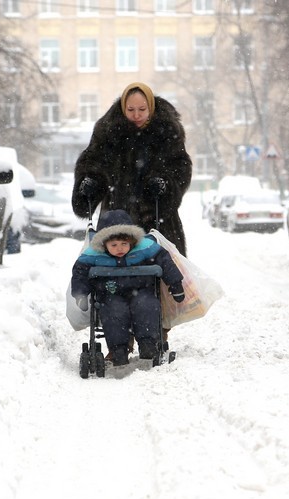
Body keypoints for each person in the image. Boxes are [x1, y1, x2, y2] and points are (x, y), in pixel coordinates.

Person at [72, 82, 192, 256]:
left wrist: (165, 185)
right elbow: (91, 163)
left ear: (150, 107)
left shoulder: (167, 132)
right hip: (116, 226)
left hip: (159, 223)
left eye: (142, 109)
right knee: (114, 279)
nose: (136, 115)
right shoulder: (107, 132)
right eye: (130, 110)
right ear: (123, 108)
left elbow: (181, 168)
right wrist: (90, 183)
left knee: (165, 276)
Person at [70, 210, 185, 366]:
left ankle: (148, 344)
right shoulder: (94, 255)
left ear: (132, 240)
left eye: (124, 244)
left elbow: (165, 261)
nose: (120, 249)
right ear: (104, 244)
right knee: (114, 311)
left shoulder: (145, 248)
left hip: (142, 290)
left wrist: (175, 284)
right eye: (114, 245)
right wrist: (81, 294)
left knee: (147, 306)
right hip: (110, 294)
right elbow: (79, 272)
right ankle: (118, 350)